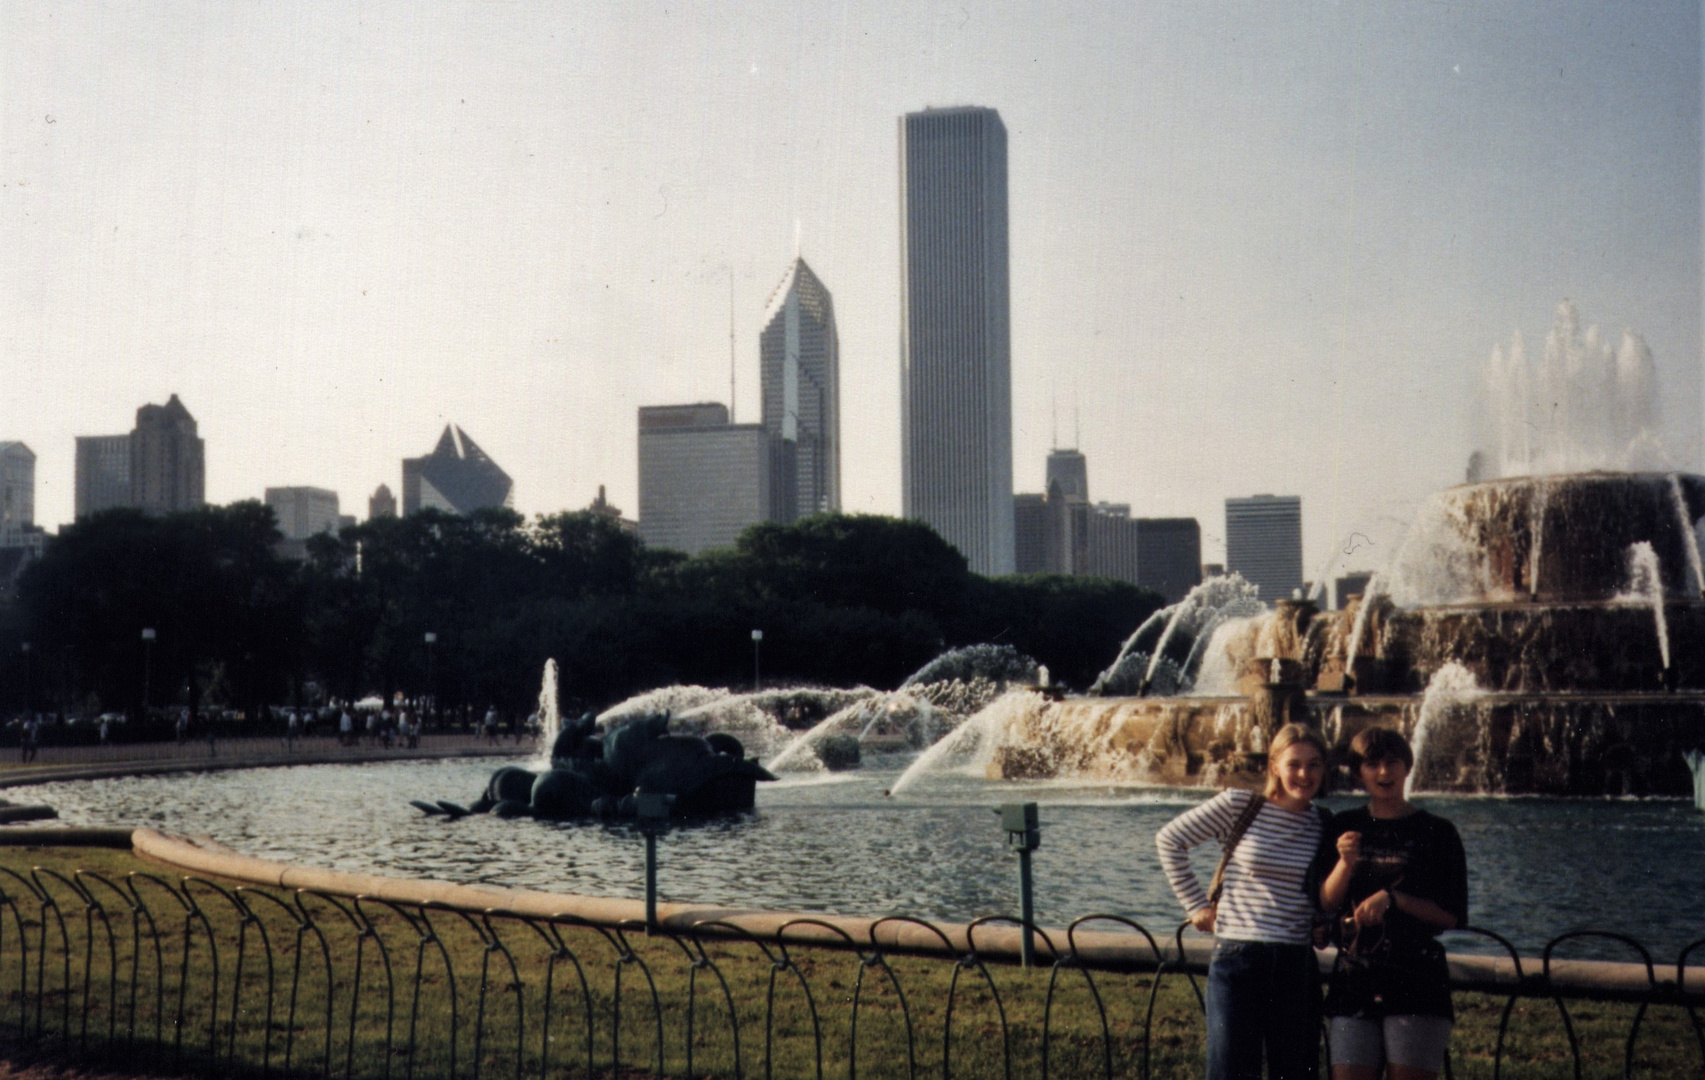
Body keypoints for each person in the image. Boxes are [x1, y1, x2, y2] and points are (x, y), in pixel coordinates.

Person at [1156, 723, 1332, 1080]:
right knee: (1230, 1072)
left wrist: (1324, 921)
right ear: (1274, 767)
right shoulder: (1240, 805)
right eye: (1294, 764)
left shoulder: (1323, 823)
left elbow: (1323, 890)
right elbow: (1170, 840)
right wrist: (1195, 906)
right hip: (1239, 959)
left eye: (1314, 764)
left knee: (1295, 1073)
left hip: (1297, 964)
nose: (1304, 774)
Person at [1318, 727, 1467, 1080]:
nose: (1384, 773)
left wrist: (1395, 900)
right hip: (1353, 977)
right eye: (1372, 765)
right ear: (1358, 773)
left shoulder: (1439, 831)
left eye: (1392, 763)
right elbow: (1326, 901)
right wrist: (1344, 864)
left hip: (1417, 979)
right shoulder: (1343, 826)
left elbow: (1452, 916)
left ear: (1407, 767)